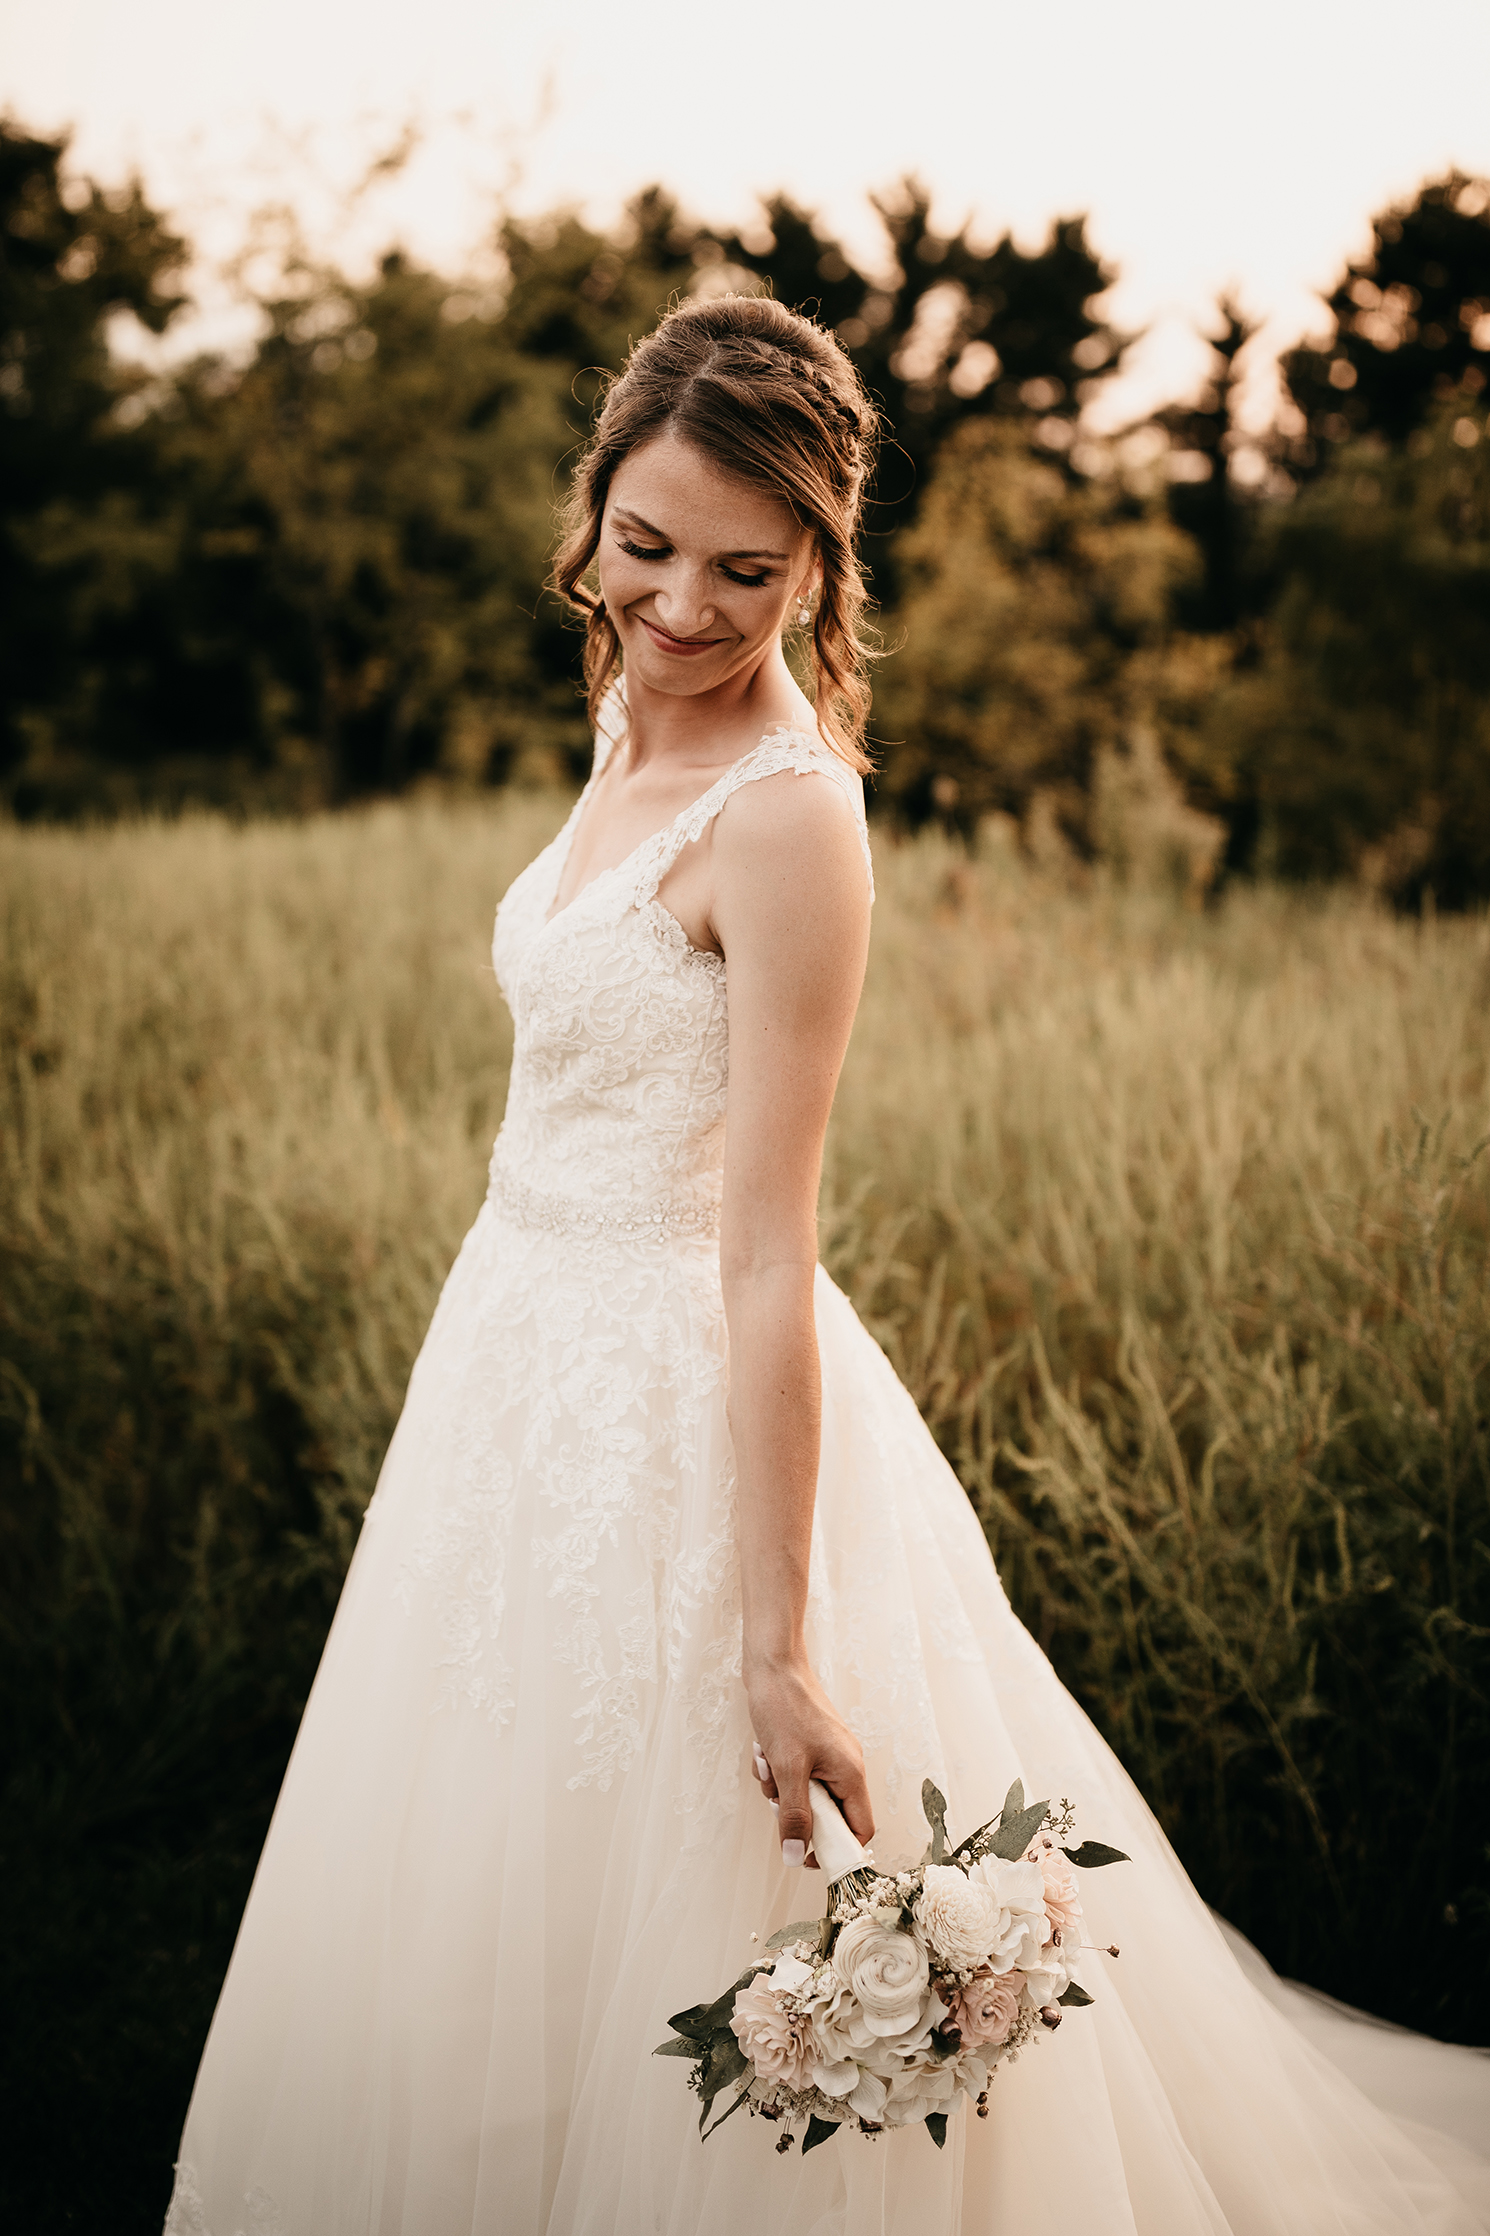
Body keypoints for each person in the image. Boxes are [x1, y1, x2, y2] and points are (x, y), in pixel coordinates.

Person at [164, 295, 1489, 2236]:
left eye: (745, 571)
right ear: (593, 509)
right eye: (645, 550)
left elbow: (769, 1245)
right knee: (486, 1859)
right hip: (514, 1361)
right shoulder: (628, 706)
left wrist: (778, 1645)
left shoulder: (789, 820)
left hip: (685, 1395)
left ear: (820, 558)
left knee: (700, 1880)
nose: (685, 608)